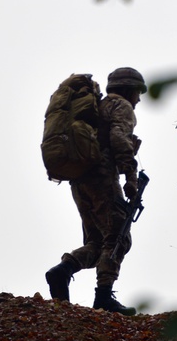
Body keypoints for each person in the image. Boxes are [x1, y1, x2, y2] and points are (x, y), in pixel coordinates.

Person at [45, 66, 146, 315]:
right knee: (118, 237)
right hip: (102, 177)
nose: (139, 99)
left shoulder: (96, 108)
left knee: (97, 241)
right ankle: (103, 296)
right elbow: (118, 137)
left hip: (79, 179)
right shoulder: (120, 105)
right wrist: (130, 177)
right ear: (129, 89)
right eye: (138, 92)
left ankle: (63, 270)